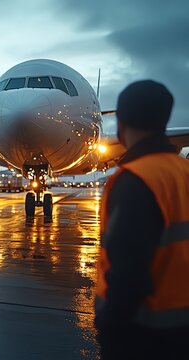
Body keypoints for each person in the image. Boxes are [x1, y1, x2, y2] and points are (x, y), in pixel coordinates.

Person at [95, 80, 189, 359]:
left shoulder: (135, 180)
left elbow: (128, 272)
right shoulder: (182, 170)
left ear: (121, 123)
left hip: (145, 333)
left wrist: (110, 324)